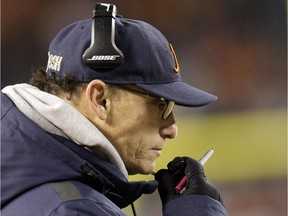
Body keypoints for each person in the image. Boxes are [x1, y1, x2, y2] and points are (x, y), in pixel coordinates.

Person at [1, 3, 228, 216]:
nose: (171, 129)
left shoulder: (23, 166)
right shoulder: (74, 209)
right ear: (100, 100)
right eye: (160, 106)